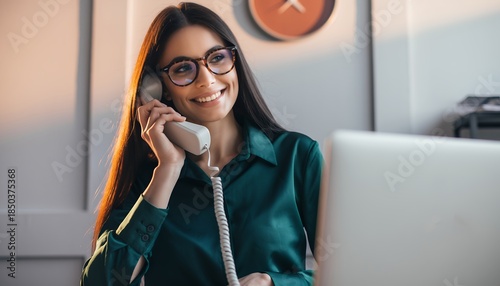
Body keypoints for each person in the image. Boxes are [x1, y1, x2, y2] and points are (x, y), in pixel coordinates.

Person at [80, 2, 323, 285]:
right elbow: (102, 282)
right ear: (157, 88)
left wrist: (274, 283)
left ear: (235, 62)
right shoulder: (147, 179)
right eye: (183, 68)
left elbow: (350, 270)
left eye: (217, 58)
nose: (207, 80)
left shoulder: (298, 156)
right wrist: (167, 171)